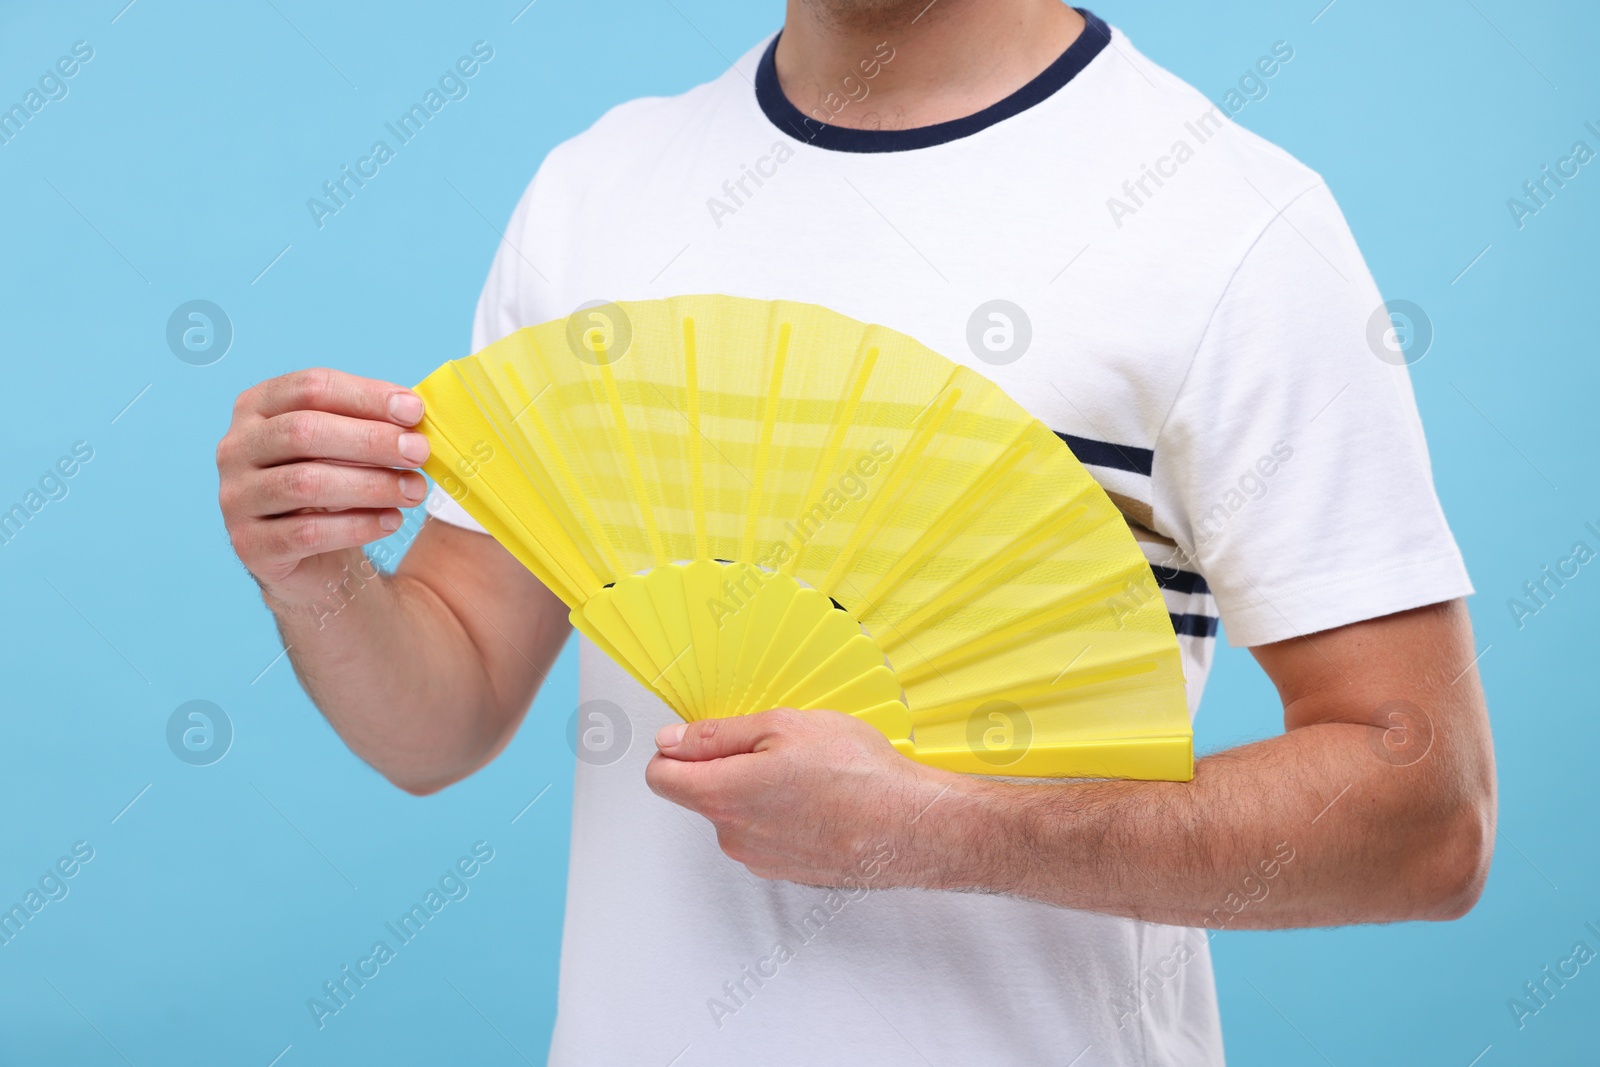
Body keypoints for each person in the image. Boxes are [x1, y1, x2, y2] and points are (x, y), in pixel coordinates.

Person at [216, 2, 1495, 1062]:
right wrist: (316, 574)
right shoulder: (595, 193)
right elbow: (446, 713)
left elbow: (1426, 809)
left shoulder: (1231, 225)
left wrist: (938, 826)